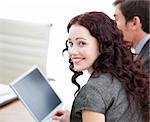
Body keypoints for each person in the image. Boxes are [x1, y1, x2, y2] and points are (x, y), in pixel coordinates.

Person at [52, 12, 149, 122]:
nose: (72, 52)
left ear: (102, 44)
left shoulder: (92, 91)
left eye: (82, 43)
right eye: (70, 43)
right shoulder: (124, 75)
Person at [113, 0, 150, 73]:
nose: (114, 26)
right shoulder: (142, 54)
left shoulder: (147, 59)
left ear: (134, 23)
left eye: (116, 19)